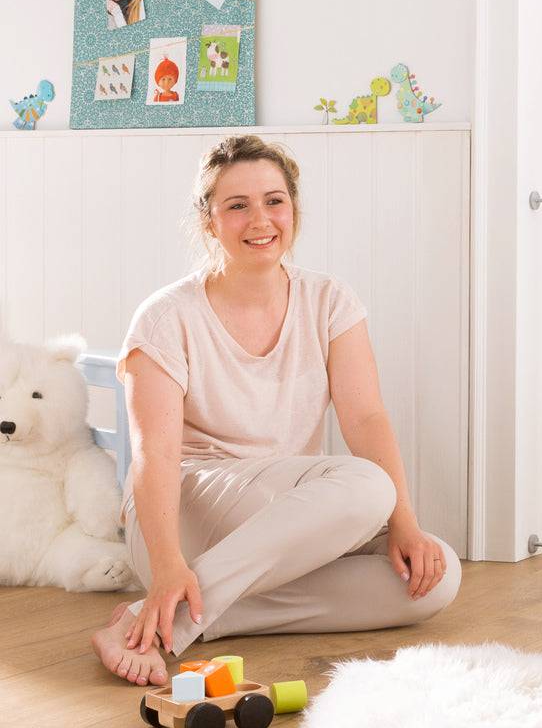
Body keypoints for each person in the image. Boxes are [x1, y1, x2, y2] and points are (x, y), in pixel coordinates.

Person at [91, 135, 461, 687]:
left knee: (439, 575)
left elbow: (366, 418)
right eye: (236, 205)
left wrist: (404, 523)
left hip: (281, 523)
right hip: (182, 517)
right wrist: (167, 563)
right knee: (367, 486)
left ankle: (170, 618)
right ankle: (173, 599)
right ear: (208, 221)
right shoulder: (166, 316)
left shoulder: (330, 300)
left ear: (293, 209)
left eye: (274, 200)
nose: (259, 219)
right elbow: (155, 453)